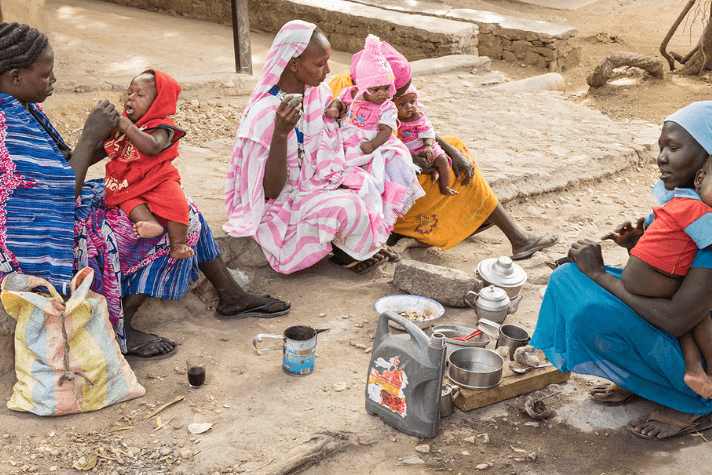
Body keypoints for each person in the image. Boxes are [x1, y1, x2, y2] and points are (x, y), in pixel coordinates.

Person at [0, 22, 289, 360]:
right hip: (34, 239)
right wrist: (90, 137)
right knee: (168, 224)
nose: (54, 81)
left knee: (176, 204)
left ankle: (231, 294)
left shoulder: (20, 106)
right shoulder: (7, 125)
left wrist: (109, 140)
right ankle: (119, 325)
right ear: (17, 76)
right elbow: (58, 196)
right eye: (46, 75)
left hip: (53, 207)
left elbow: (60, 166)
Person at [531, 101, 712, 440]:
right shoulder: (684, 205)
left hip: (696, 335)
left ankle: (689, 400)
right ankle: (645, 380)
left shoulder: (708, 224)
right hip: (673, 312)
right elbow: (667, 272)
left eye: (673, 147)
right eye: (661, 147)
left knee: (593, 305)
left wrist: (599, 274)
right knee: (566, 282)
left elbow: (678, 318)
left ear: (707, 160)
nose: (661, 157)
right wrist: (635, 246)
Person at [329, 41, 558, 257]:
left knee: (455, 146)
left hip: (393, 157)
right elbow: (358, 146)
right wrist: (414, 160)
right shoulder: (350, 98)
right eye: (399, 94)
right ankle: (515, 237)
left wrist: (447, 149)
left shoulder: (368, 84)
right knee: (449, 173)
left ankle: (494, 224)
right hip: (369, 178)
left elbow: (414, 123)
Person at [224, 21, 407, 275]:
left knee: (376, 178)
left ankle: (357, 247)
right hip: (281, 201)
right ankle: (349, 251)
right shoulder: (264, 114)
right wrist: (280, 133)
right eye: (320, 64)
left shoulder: (318, 96)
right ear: (293, 64)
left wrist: (337, 118)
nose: (328, 70)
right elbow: (272, 191)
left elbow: (326, 150)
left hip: (316, 183)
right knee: (349, 206)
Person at [620, 155, 712, 398]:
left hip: (638, 276)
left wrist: (632, 243)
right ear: (701, 179)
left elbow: (652, 228)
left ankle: (692, 369)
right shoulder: (701, 212)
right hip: (653, 280)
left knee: (685, 321)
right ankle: (706, 369)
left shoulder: (676, 200)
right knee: (697, 314)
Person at [104, 70, 193, 259]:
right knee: (125, 199)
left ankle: (178, 243)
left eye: (140, 95)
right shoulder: (124, 122)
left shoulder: (162, 126)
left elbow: (152, 147)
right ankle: (148, 222)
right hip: (130, 180)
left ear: (158, 103)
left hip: (158, 178)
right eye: (129, 93)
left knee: (177, 203)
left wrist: (128, 128)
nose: (131, 99)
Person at [395, 85, 457, 196]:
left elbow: (428, 132)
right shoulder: (394, 121)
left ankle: (444, 186)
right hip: (409, 152)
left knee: (442, 159)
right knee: (408, 168)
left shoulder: (417, 117)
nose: (409, 106)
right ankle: (431, 170)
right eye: (402, 104)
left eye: (412, 102)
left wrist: (428, 145)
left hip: (425, 146)